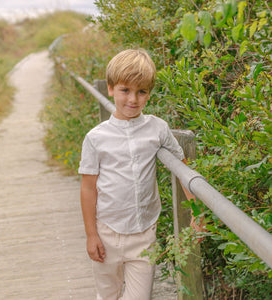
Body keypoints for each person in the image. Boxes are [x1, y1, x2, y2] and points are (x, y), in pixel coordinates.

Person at [78, 48, 196, 300]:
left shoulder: (157, 128)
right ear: (110, 89)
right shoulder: (96, 138)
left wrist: (198, 212)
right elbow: (88, 188)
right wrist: (91, 235)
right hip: (107, 232)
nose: (133, 99)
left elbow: (183, 167)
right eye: (125, 90)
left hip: (144, 234)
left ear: (149, 94)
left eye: (141, 92)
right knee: (107, 294)